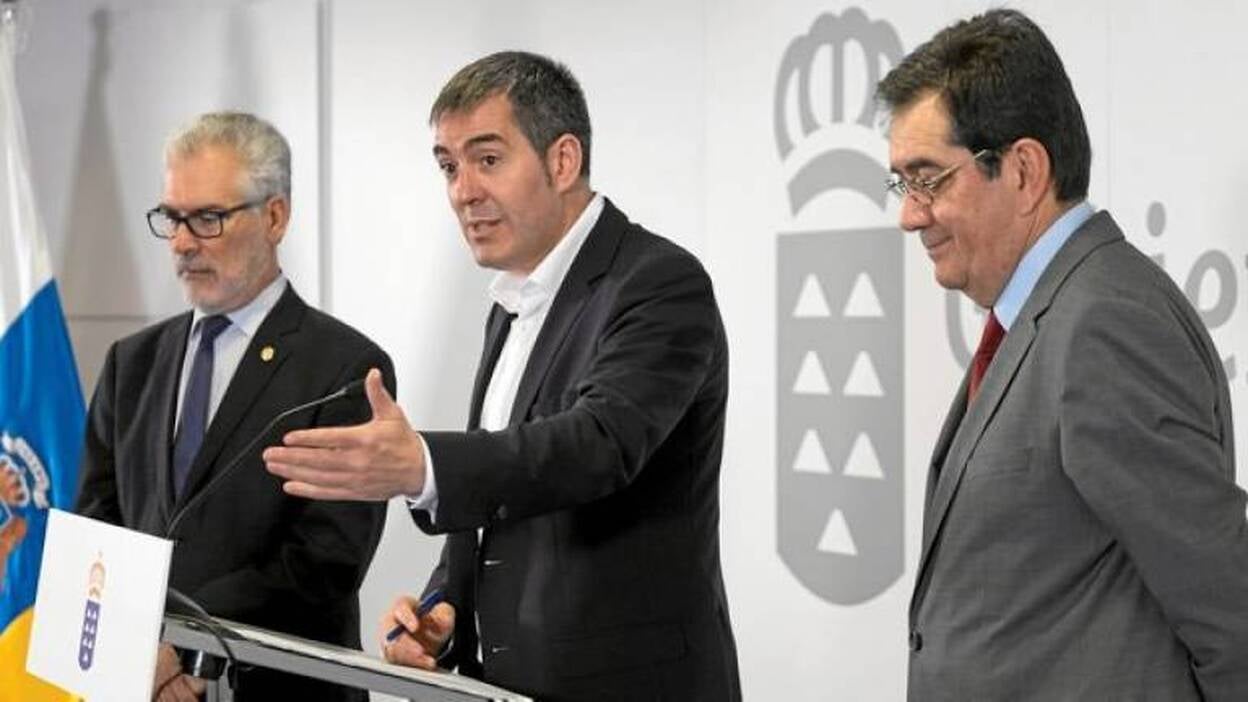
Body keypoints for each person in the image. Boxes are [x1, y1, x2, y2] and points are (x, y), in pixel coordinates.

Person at [263, 51, 741, 701]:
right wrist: (444, 607)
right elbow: (506, 496)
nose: (463, 191)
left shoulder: (658, 283)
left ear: (562, 161)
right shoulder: (511, 301)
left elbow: (597, 446)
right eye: (448, 166)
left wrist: (423, 465)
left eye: (487, 159)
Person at [876, 9, 1248, 701]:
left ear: (1023, 170)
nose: (909, 214)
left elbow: (1229, 608)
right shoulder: (1048, 311)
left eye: (928, 179)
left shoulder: (1106, 321)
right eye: (903, 183)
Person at [75, 111, 393, 702]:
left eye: (208, 218)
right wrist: (134, 657)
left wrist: (187, 649)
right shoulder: (131, 364)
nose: (182, 242)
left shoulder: (345, 370)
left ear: (275, 217)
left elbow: (323, 562)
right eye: (172, 218)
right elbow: (98, 529)